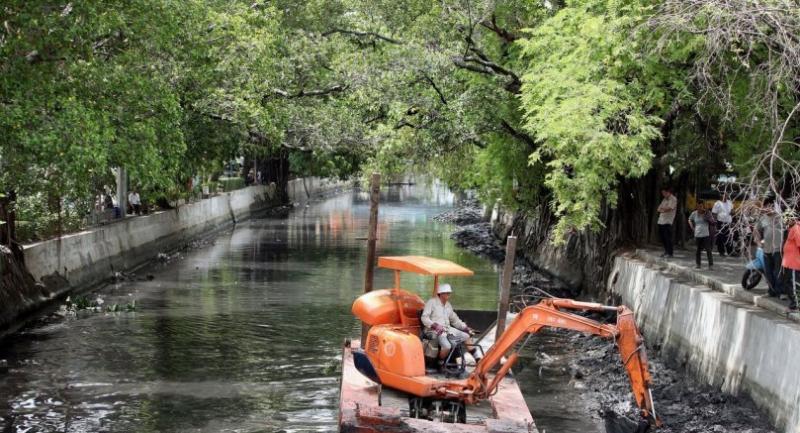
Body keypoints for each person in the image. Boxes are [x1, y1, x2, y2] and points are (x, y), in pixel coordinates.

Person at [420, 283, 481, 365]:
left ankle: (478, 359)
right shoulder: (431, 302)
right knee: (447, 346)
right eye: (447, 293)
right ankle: (440, 363)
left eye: (449, 293)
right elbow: (424, 318)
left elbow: (455, 320)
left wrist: (466, 328)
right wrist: (434, 325)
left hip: (447, 329)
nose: (449, 294)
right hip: (434, 331)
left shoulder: (448, 305)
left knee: (466, 336)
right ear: (441, 293)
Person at [754, 196, 784, 297]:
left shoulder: (780, 217)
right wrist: (758, 242)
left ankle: (780, 292)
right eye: (766, 206)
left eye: (770, 206)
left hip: (778, 249)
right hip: (766, 249)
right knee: (768, 272)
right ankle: (771, 291)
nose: (768, 208)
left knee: (778, 272)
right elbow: (756, 231)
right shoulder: (762, 218)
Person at [688, 201, 714, 269]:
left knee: (708, 250)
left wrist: (708, 218)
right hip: (697, 234)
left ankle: (710, 265)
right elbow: (689, 219)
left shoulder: (707, 213)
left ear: (703, 206)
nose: (699, 208)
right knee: (698, 250)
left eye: (701, 206)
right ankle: (698, 264)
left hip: (706, 234)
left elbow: (712, 221)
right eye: (698, 206)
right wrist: (692, 227)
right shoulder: (694, 213)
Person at [783, 215, 800, 312]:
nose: (786, 221)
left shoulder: (796, 228)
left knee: (794, 285)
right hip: (789, 262)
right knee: (789, 283)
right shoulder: (793, 228)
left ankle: (795, 305)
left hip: (794, 262)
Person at [657, 187, 677, 258]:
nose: (663, 195)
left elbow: (670, 209)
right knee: (662, 237)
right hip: (661, 220)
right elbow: (658, 209)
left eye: (664, 193)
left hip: (668, 221)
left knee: (668, 237)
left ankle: (670, 252)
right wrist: (663, 209)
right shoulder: (664, 199)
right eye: (662, 193)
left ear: (668, 192)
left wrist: (663, 209)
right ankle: (666, 251)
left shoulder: (673, 199)